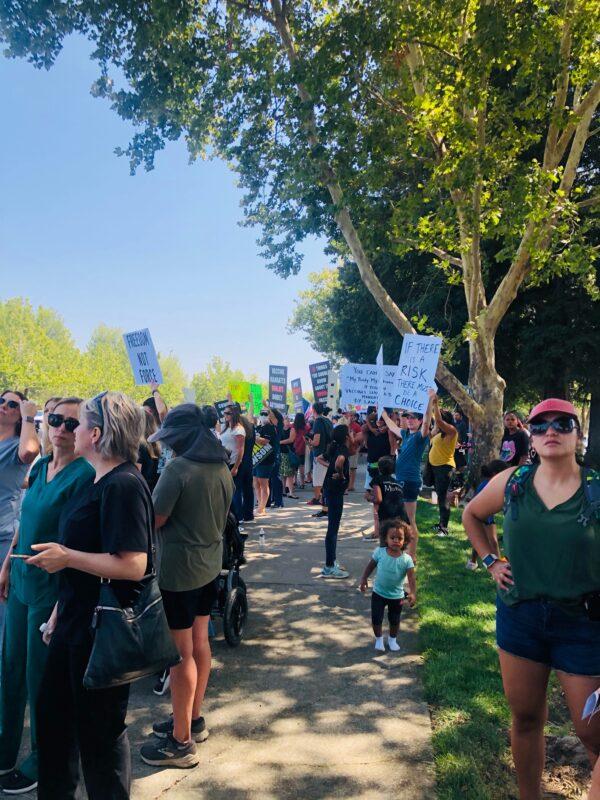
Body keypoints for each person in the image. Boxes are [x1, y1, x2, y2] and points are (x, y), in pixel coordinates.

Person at [463, 398, 600, 800]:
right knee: (525, 719)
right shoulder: (513, 482)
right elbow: (472, 514)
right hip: (520, 617)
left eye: (562, 424)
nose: (551, 431)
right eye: (540, 426)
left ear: (577, 433)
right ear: (531, 437)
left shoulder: (595, 491)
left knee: (594, 737)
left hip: (582, 625)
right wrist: (490, 561)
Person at [28, 391, 151, 800]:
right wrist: (59, 612)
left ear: (96, 434)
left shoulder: (124, 485)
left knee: (99, 742)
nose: (71, 429)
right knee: (53, 724)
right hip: (75, 624)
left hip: (101, 634)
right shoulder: (97, 478)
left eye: (78, 423)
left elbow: (133, 565)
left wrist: (67, 557)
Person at [0, 397, 94, 795]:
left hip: (52, 587)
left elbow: (79, 539)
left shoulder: (86, 475)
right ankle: (4, 750)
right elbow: (25, 519)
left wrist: (62, 603)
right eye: (55, 420)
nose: (62, 429)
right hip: (21, 576)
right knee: (9, 668)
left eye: (73, 424)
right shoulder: (40, 467)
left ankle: (41, 759)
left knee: (40, 678)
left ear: (87, 430)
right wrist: (6, 563)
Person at [140, 404, 233, 768]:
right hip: (210, 565)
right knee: (199, 644)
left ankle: (180, 743)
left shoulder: (179, 469)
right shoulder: (221, 465)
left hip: (179, 573)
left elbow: (155, 517)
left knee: (180, 656)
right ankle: (192, 719)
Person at [0, 391, 40, 647]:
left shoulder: (17, 445)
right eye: (1, 401)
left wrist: (29, 417)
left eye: (13, 404)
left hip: (2, 537)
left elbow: (29, 452)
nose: (4, 406)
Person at [382, 390, 434, 556]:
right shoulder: (405, 434)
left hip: (411, 481)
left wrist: (429, 401)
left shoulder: (420, 437)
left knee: (410, 520)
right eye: (408, 417)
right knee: (401, 518)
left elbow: (427, 423)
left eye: (413, 418)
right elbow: (392, 426)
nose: (409, 420)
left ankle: (412, 556)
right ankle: (405, 551)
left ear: (419, 421)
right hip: (401, 480)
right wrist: (382, 412)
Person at [359, 519, 416, 652]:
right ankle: (379, 639)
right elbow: (370, 566)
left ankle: (392, 639)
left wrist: (412, 592)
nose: (396, 540)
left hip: (397, 596)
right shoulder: (380, 552)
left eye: (399, 538)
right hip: (378, 593)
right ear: (385, 538)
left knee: (395, 620)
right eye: (392, 538)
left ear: (405, 540)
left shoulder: (406, 559)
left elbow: (411, 578)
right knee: (376, 618)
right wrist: (363, 578)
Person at [319, 425, 350, 579]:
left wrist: (332, 467)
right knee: (333, 528)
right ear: (346, 436)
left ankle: (332, 561)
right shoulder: (343, 448)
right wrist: (340, 473)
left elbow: (321, 459)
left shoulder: (334, 446)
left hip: (330, 489)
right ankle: (329, 566)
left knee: (333, 528)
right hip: (335, 491)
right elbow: (339, 462)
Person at [464, 460, 507, 571]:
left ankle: (472, 562)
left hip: (484, 515)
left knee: (481, 540)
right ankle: (500, 568)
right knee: (492, 541)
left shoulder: (487, 483)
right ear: (495, 473)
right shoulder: (490, 484)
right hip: (482, 515)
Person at [428, 396, 458, 536]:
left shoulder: (452, 431)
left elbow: (438, 420)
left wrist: (436, 403)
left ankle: (444, 528)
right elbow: (434, 425)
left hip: (445, 468)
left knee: (443, 497)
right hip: (435, 468)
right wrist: (429, 404)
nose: (437, 422)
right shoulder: (437, 432)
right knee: (440, 497)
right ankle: (440, 524)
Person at [366, 455, 409, 541]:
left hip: (387, 518)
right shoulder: (397, 483)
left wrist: (369, 497)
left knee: (385, 542)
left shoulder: (377, 479)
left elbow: (378, 499)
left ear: (379, 468)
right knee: (398, 543)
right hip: (402, 517)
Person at [219, 405, 246, 521]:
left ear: (234, 414)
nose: (225, 415)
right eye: (224, 413)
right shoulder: (226, 428)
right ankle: (231, 517)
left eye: (228, 413)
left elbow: (241, 449)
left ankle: (238, 517)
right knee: (227, 492)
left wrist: (235, 467)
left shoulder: (238, 429)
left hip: (234, 463)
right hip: (224, 462)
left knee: (235, 492)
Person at [307, 403, 333, 513]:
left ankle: (317, 498)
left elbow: (316, 441)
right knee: (326, 480)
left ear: (313, 410)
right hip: (328, 453)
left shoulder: (317, 421)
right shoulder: (328, 420)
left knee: (317, 481)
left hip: (319, 455)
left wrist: (310, 442)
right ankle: (323, 500)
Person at [253, 410, 277, 517]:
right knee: (255, 483)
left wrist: (254, 438)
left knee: (263, 483)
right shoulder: (259, 427)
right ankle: (260, 506)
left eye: (265, 414)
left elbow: (265, 441)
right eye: (261, 414)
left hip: (266, 458)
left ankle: (262, 508)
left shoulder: (270, 427)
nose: (263, 416)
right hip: (256, 459)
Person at [137, 408, 161, 492]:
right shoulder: (156, 444)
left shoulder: (139, 446)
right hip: (153, 490)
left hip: (143, 491)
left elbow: (136, 474)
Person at [279, 417, 298, 499]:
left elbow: (291, 440)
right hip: (281, 453)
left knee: (290, 474)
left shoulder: (292, 429)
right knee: (283, 474)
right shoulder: (279, 429)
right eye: (285, 420)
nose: (286, 422)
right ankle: (284, 491)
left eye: (287, 420)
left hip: (289, 453)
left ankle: (291, 492)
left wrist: (280, 442)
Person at [346, 412, 363, 492]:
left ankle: (351, 485)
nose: (351, 417)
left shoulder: (357, 426)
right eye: (350, 415)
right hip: (345, 450)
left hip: (354, 449)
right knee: (346, 468)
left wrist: (358, 450)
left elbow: (361, 440)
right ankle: (346, 485)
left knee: (352, 468)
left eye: (353, 416)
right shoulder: (344, 424)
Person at [292, 412, 309, 489]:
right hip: (303, 448)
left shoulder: (293, 426)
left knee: (294, 466)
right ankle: (302, 483)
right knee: (302, 466)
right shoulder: (306, 427)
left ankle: (294, 481)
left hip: (294, 448)